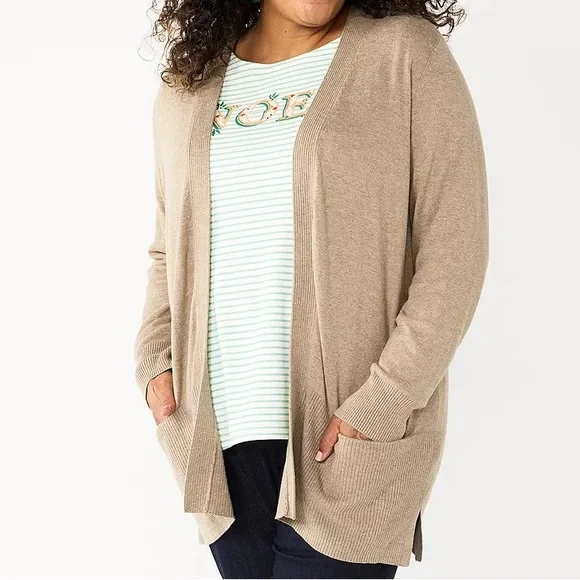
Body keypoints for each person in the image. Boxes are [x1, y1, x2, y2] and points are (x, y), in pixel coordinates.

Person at [134, 0, 488, 578]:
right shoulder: (188, 85)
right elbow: (167, 248)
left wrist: (382, 402)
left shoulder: (404, 56)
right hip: (219, 449)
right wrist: (155, 363)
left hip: (346, 444)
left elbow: (455, 252)